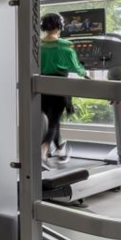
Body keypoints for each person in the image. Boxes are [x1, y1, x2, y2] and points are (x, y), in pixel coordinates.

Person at [39, 12, 85, 167]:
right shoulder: (65, 47)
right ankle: (43, 150)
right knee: (54, 121)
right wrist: (88, 78)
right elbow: (77, 69)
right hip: (59, 88)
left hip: (41, 88)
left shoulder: (37, 47)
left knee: (52, 121)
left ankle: (59, 149)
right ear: (60, 26)